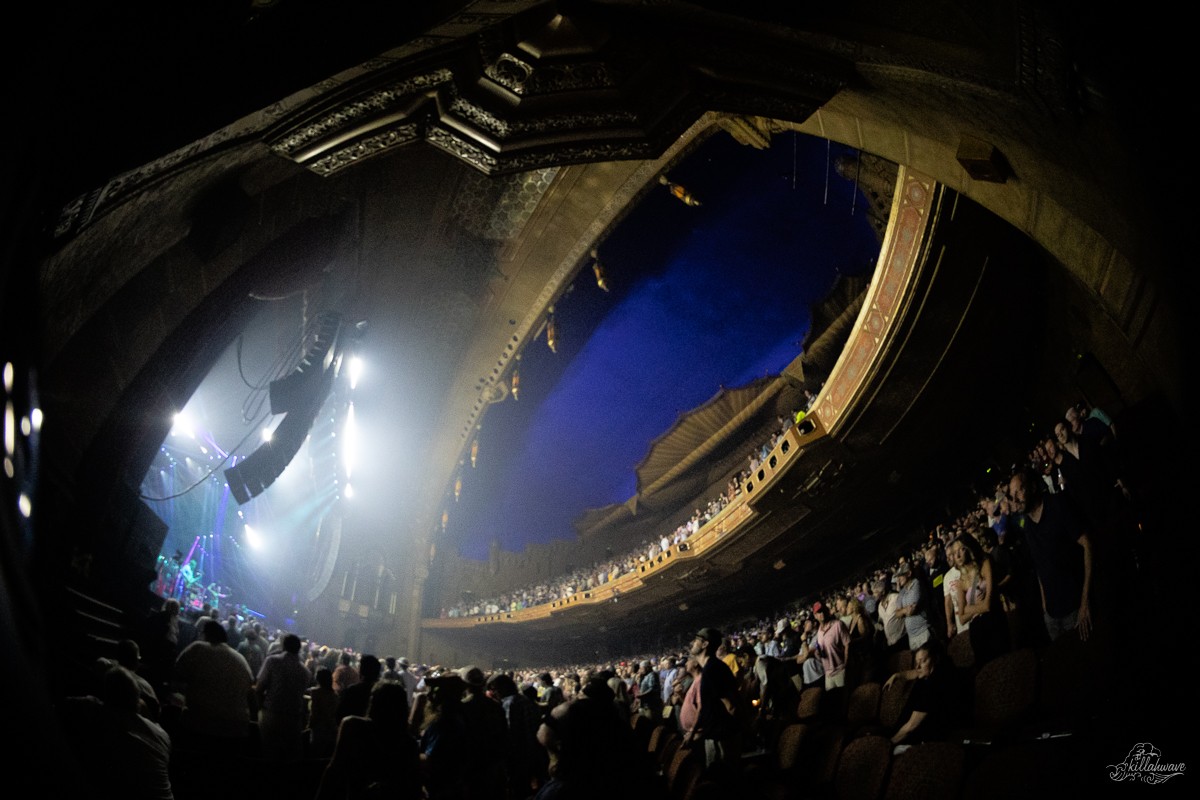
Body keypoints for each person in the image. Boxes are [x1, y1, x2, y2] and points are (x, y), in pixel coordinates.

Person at [1008, 468, 1094, 641]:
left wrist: (1085, 602)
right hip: (1053, 617)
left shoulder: (1058, 505)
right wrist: (1045, 606)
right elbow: (1040, 566)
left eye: (1020, 491)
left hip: (1076, 608)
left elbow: (1088, 545)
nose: (1015, 499)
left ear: (1032, 487)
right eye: (1012, 494)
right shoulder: (1028, 528)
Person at [316, 681, 422, 800]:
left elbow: (334, 770)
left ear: (374, 702)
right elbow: (414, 788)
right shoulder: (408, 743)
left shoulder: (353, 727)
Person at [682, 627, 739, 772]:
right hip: (714, 734)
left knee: (721, 775)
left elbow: (730, 706)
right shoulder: (711, 668)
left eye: (696, 641)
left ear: (705, 644)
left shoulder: (712, 670)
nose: (692, 644)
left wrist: (727, 736)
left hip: (719, 737)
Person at [884, 642, 961, 747]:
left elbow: (911, 727)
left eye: (922, 661)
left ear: (934, 660)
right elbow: (915, 672)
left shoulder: (932, 686)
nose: (918, 666)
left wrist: (887, 744)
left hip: (929, 741)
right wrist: (897, 675)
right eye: (916, 662)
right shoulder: (931, 671)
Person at [256, 632, 312, 762]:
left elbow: (259, 688)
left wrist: (260, 709)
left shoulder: (272, 661)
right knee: (286, 759)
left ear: (283, 645)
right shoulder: (305, 672)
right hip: (293, 720)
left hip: (271, 715)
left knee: (267, 754)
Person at [892, 562, 932, 650]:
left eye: (901, 576)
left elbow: (911, 611)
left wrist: (902, 611)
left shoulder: (917, 584)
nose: (898, 579)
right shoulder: (902, 592)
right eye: (898, 577)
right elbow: (896, 614)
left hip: (923, 631)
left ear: (909, 573)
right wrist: (904, 610)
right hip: (911, 636)